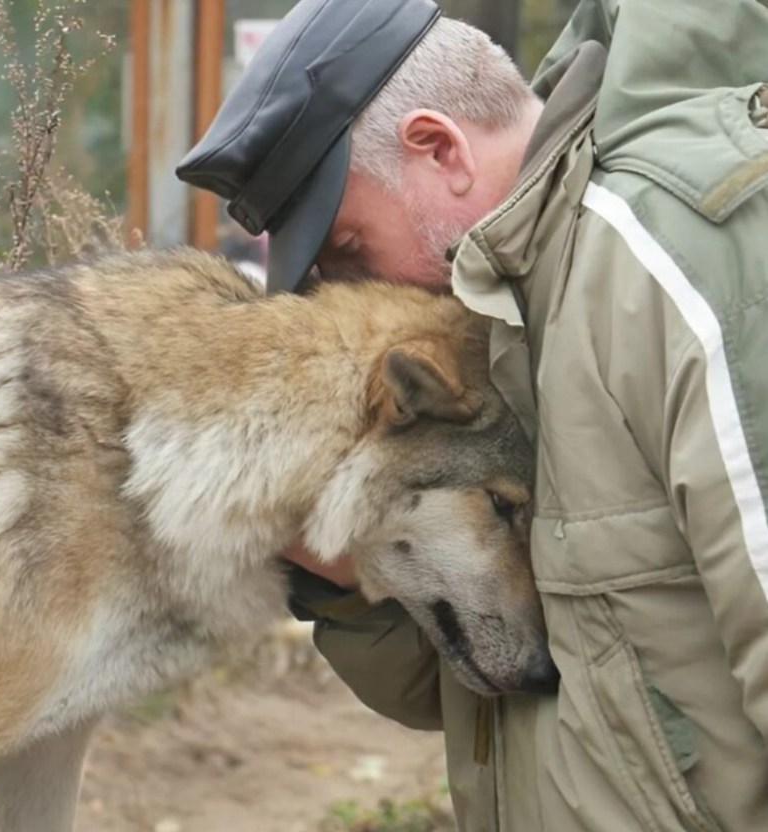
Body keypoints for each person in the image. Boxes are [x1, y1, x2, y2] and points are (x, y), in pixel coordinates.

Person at [177, 0, 768, 829]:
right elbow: (500, 692)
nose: (350, 295)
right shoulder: (504, 316)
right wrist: (346, 580)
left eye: (347, 250)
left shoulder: (670, 257)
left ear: (437, 148)